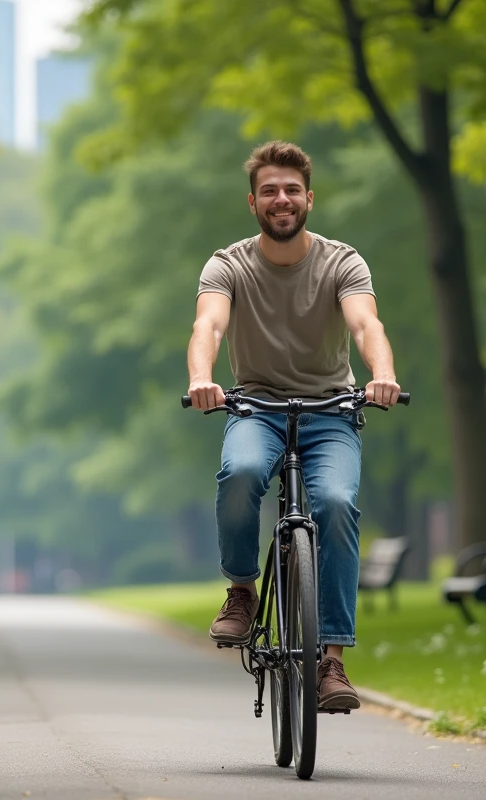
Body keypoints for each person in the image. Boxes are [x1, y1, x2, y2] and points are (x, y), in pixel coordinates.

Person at [187, 141, 401, 711]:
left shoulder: (342, 261)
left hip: (330, 411)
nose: (281, 199)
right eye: (269, 191)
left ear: (309, 197)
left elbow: (365, 323)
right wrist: (202, 377)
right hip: (256, 407)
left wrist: (382, 373)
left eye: (291, 190)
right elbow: (208, 325)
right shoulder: (227, 264)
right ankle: (241, 591)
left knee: (334, 502)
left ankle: (331, 660)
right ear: (252, 202)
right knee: (242, 470)